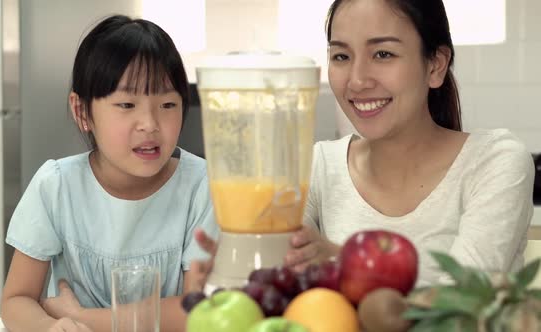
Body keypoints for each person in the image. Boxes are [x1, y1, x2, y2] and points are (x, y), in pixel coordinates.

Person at [195, 0, 535, 288]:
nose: (357, 81)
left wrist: (344, 261)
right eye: (341, 56)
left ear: (436, 65)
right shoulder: (319, 167)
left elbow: (462, 294)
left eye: (383, 54)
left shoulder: (495, 162)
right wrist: (238, 269)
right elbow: (289, 292)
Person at [0, 15, 217, 332]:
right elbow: (17, 300)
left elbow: (195, 311)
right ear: (82, 112)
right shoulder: (56, 186)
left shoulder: (202, 185)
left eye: (168, 104)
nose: (150, 123)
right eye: (127, 104)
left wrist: (83, 318)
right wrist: (50, 328)